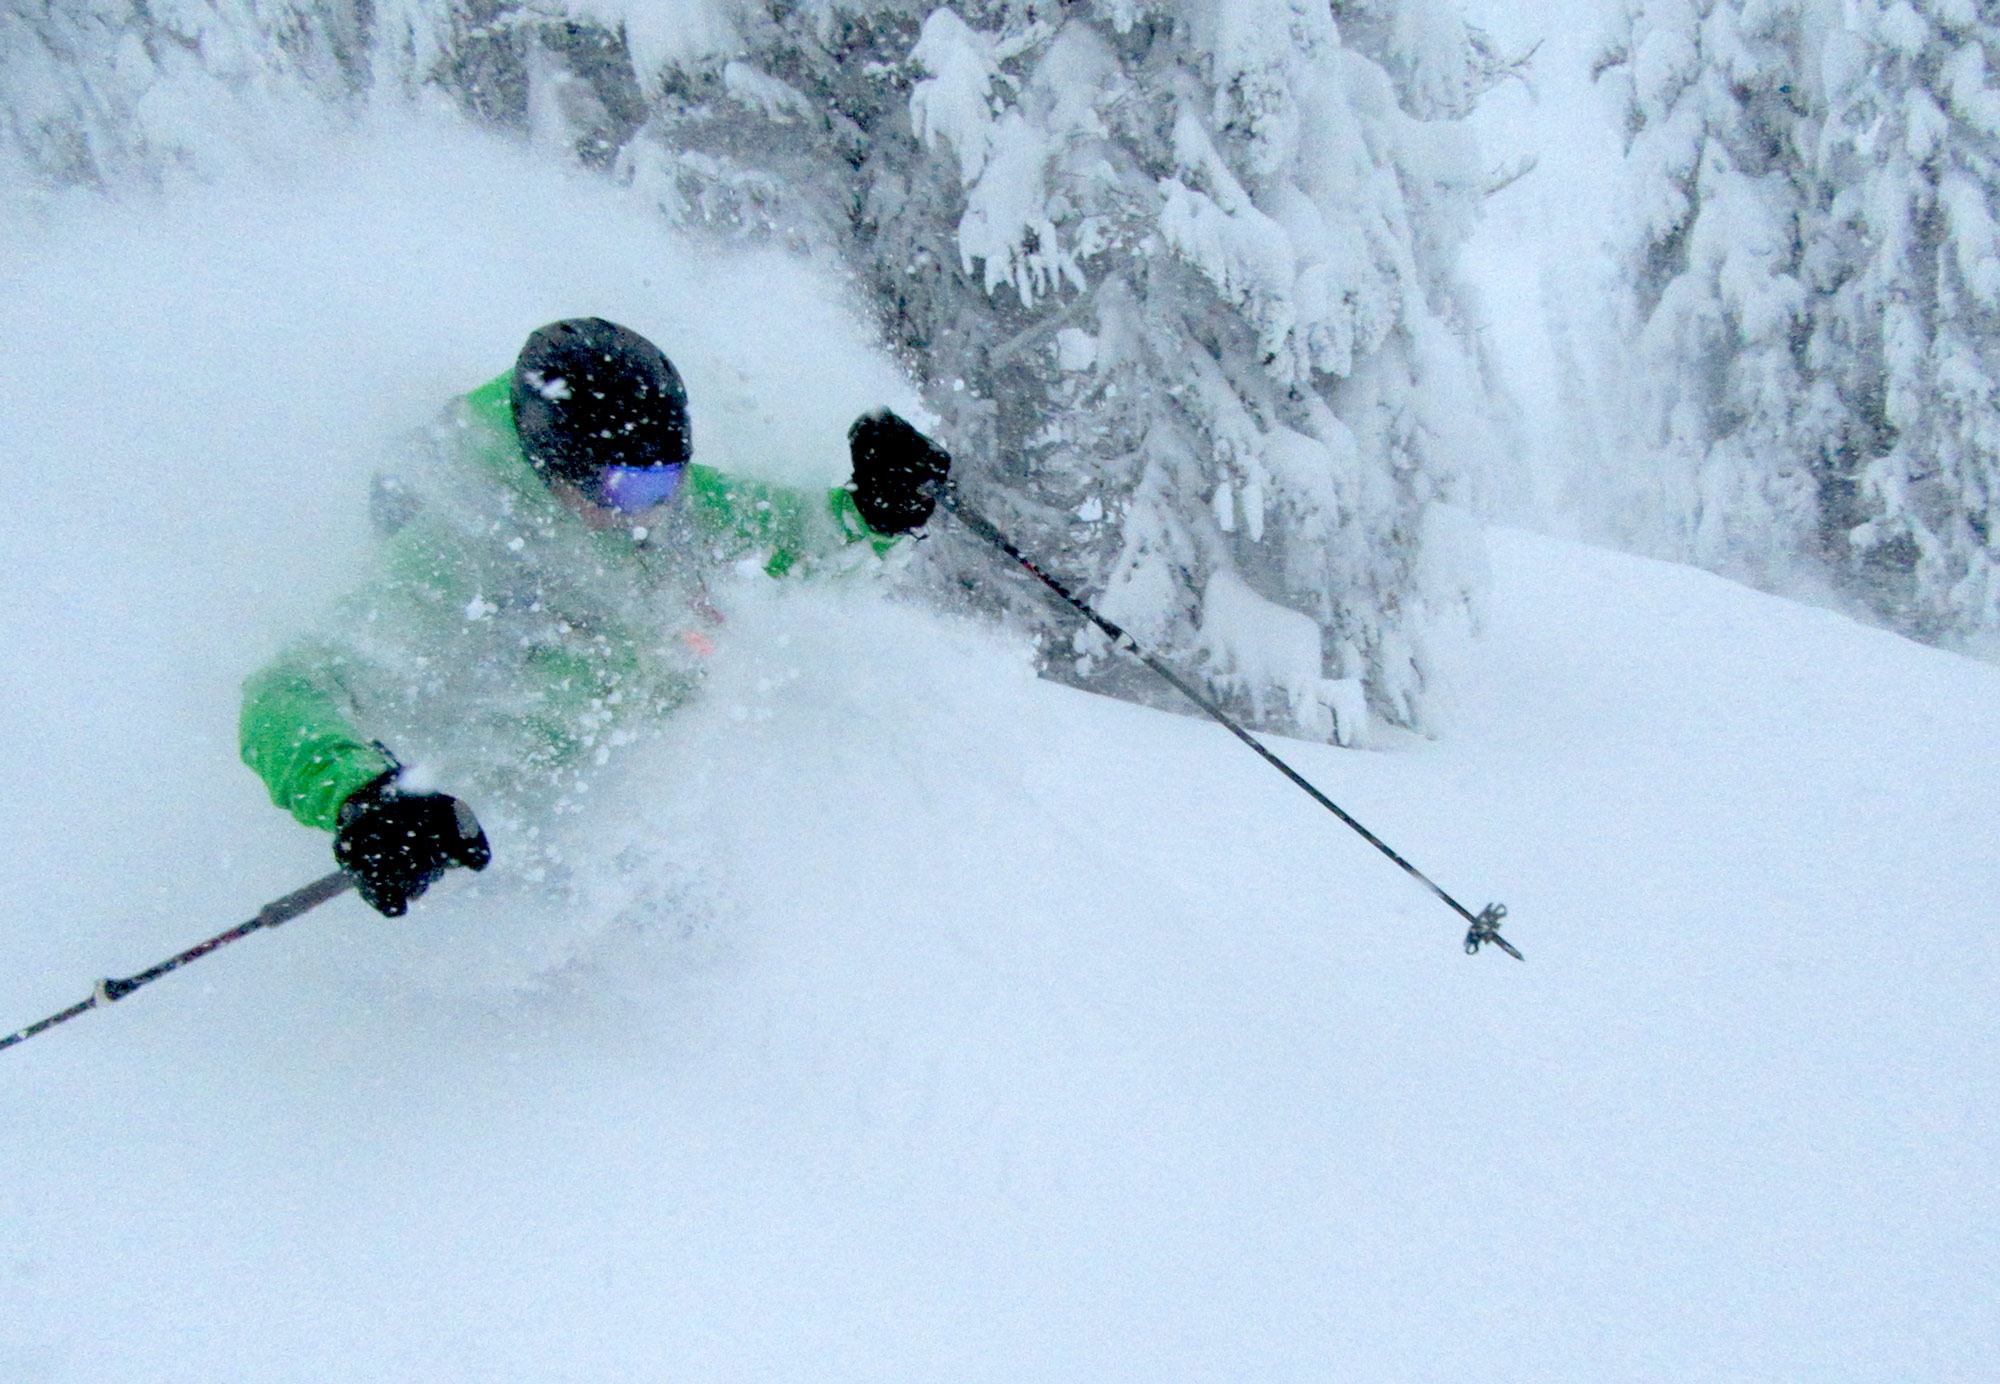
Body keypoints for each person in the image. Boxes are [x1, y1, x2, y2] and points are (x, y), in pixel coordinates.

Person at [240, 317, 951, 917]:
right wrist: (361, 798)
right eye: (626, 486)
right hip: (501, 833)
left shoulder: (661, 504)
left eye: (667, 478)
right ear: (554, 466)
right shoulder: (457, 552)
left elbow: (798, 543)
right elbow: (285, 691)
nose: (651, 507)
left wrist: (878, 510)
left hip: (638, 805)